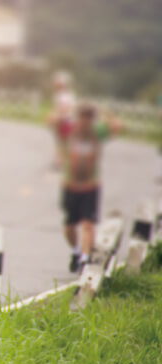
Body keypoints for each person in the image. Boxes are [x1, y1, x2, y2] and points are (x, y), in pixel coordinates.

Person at [60, 104, 123, 272]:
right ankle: (76, 251)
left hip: (90, 186)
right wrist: (64, 111)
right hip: (70, 185)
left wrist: (104, 111)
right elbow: (52, 121)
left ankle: (84, 259)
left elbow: (117, 125)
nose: (84, 122)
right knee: (69, 226)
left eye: (88, 119)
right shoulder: (70, 130)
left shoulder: (98, 132)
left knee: (88, 224)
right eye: (82, 118)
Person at [46, 70, 77, 170]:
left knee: (62, 142)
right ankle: (59, 161)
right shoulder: (65, 95)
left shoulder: (63, 95)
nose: (55, 85)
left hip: (65, 121)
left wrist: (54, 116)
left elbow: (65, 108)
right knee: (61, 141)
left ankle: (60, 162)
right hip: (65, 120)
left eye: (57, 83)